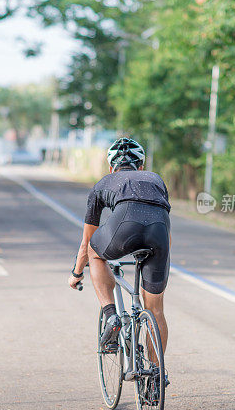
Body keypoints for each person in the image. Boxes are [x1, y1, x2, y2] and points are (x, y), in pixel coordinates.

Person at [68, 137, 171, 396]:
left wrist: (76, 273)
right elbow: (165, 226)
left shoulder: (103, 183)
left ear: (112, 166)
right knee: (155, 310)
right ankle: (156, 379)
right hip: (159, 236)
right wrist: (161, 257)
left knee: (95, 250)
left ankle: (111, 314)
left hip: (124, 226)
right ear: (142, 165)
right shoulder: (156, 179)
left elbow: (85, 243)